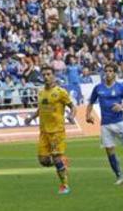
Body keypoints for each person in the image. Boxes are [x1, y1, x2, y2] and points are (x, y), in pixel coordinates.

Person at [24, 65, 77, 195]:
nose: (46, 77)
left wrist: (71, 116)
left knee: (56, 157)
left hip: (57, 131)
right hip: (43, 131)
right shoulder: (41, 92)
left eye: (48, 74)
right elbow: (41, 109)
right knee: (43, 161)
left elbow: (72, 106)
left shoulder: (60, 92)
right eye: (44, 75)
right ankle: (62, 163)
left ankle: (65, 185)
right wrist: (31, 117)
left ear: (53, 76)